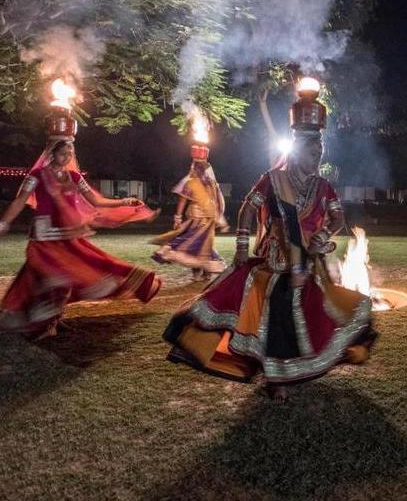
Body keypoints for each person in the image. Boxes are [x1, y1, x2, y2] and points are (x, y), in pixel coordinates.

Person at [163, 92, 376, 404]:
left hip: (307, 265)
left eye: (320, 152)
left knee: (318, 318)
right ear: (298, 152)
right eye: (312, 152)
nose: (317, 158)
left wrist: (323, 234)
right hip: (275, 264)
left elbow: (338, 218)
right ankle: (277, 381)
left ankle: (290, 372)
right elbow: (247, 209)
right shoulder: (273, 180)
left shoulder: (324, 186)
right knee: (276, 317)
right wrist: (241, 247)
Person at [0, 139, 161, 339]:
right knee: (46, 275)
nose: (67, 157)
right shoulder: (37, 175)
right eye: (62, 153)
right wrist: (4, 223)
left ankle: (51, 321)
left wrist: (124, 201)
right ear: (51, 154)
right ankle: (43, 320)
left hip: (69, 236)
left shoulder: (74, 177)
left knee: (73, 274)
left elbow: (96, 201)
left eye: (70, 154)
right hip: (45, 236)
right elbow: (20, 200)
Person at [151, 160, 229, 280]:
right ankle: (204, 272)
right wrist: (220, 220)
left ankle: (201, 273)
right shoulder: (211, 184)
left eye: (192, 168)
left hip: (199, 221)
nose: (191, 170)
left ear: (195, 169)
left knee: (193, 245)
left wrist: (178, 218)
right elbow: (218, 203)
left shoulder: (194, 183)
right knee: (201, 246)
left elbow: (183, 201)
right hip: (205, 221)